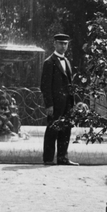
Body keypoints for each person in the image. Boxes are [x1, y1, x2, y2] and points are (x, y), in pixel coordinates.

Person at [40, 32, 77, 165]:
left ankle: (63, 157)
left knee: (66, 130)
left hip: (67, 103)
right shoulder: (49, 62)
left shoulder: (67, 61)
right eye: (60, 43)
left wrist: (73, 102)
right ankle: (48, 158)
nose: (63, 46)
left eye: (65, 44)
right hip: (55, 104)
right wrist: (49, 104)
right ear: (55, 44)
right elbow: (45, 86)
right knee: (52, 129)